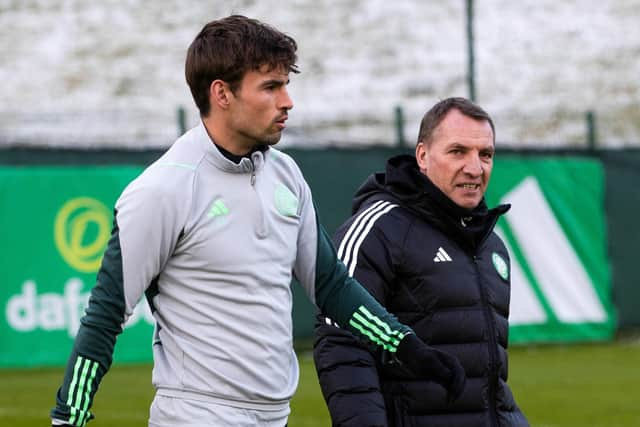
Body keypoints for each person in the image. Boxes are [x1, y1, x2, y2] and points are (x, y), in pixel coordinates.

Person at [50, 16, 466, 427]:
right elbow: (105, 316)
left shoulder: (286, 176)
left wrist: (408, 348)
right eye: (270, 86)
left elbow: (331, 286)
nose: (287, 101)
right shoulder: (163, 189)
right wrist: (68, 420)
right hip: (196, 415)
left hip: (275, 416)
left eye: (286, 84)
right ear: (222, 93)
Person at [314, 97, 530, 426]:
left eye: (485, 154)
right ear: (423, 156)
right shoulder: (378, 228)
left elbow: (490, 379)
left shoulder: (492, 246)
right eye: (458, 151)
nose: (475, 167)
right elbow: (342, 339)